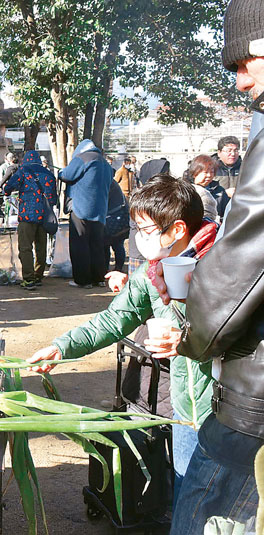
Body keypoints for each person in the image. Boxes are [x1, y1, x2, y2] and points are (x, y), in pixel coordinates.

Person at [28, 174, 217, 503]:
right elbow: (116, 317)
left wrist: (189, 341)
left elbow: (245, 338)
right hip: (186, 412)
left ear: (177, 229)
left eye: (144, 230)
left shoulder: (225, 265)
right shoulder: (154, 269)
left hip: (227, 416)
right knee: (188, 499)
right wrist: (63, 347)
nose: (138, 239)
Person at [147, 3, 264, 530]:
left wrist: (191, 335)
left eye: (246, 62)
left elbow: (246, 257)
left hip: (253, 387)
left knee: (201, 502)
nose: (241, 82)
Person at [59, 139, 113, 289]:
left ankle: (83, 280)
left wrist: (61, 172)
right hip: (100, 210)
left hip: (81, 208)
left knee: (80, 244)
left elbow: (67, 176)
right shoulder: (105, 163)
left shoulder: (82, 159)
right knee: (97, 245)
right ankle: (98, 278)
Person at [2, 150, 57, 290]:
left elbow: (8, 188)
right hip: (45, 216)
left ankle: (29, 279)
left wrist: (8, 191)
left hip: (27, 215)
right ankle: (38, 276)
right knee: (41, 247)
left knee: (25, 247)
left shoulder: (23, 171)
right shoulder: (49, 174)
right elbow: (54, 199)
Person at [187, 155, 230, 220]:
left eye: (212, 172)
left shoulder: (219, 191)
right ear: (195, 173)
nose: (209, 175)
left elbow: (228, 213)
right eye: (205, 172)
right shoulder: (186, 190)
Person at [103, 180, 129, 273]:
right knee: (117, 245)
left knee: (109, 245)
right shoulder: (112, 183)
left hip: (113, 218)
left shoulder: (107, 183)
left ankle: (108, 268)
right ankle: (118, 267)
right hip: (119, 217)